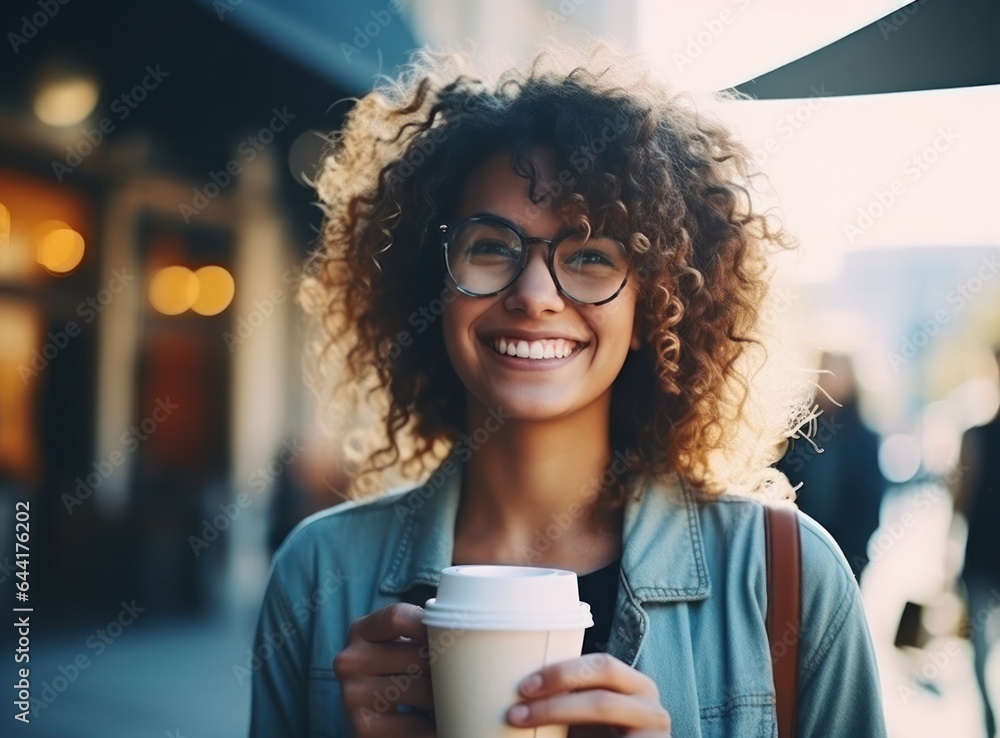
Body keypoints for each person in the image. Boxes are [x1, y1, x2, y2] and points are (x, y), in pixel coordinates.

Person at [249, 41, 887, 736]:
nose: (534, 295)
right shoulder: (316, 578)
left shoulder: (790, 580)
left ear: (656, 306)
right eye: (490, 246)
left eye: (588, 256)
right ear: (430, 285)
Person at [778, 352, 886, 581]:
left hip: (845, 557)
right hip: (794, 552)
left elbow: (871, 499)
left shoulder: (863, 437)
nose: (830, 380)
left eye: (836, 372)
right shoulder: (796, 432)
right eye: (825, 372)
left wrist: (855, 551)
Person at [951, 347, 1000, 738]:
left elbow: (959, 500)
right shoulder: (975, 435)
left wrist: (948, 550)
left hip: (982, 559)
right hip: (982, 560)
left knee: (981, 653)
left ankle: (990, 723)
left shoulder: (976, 436)